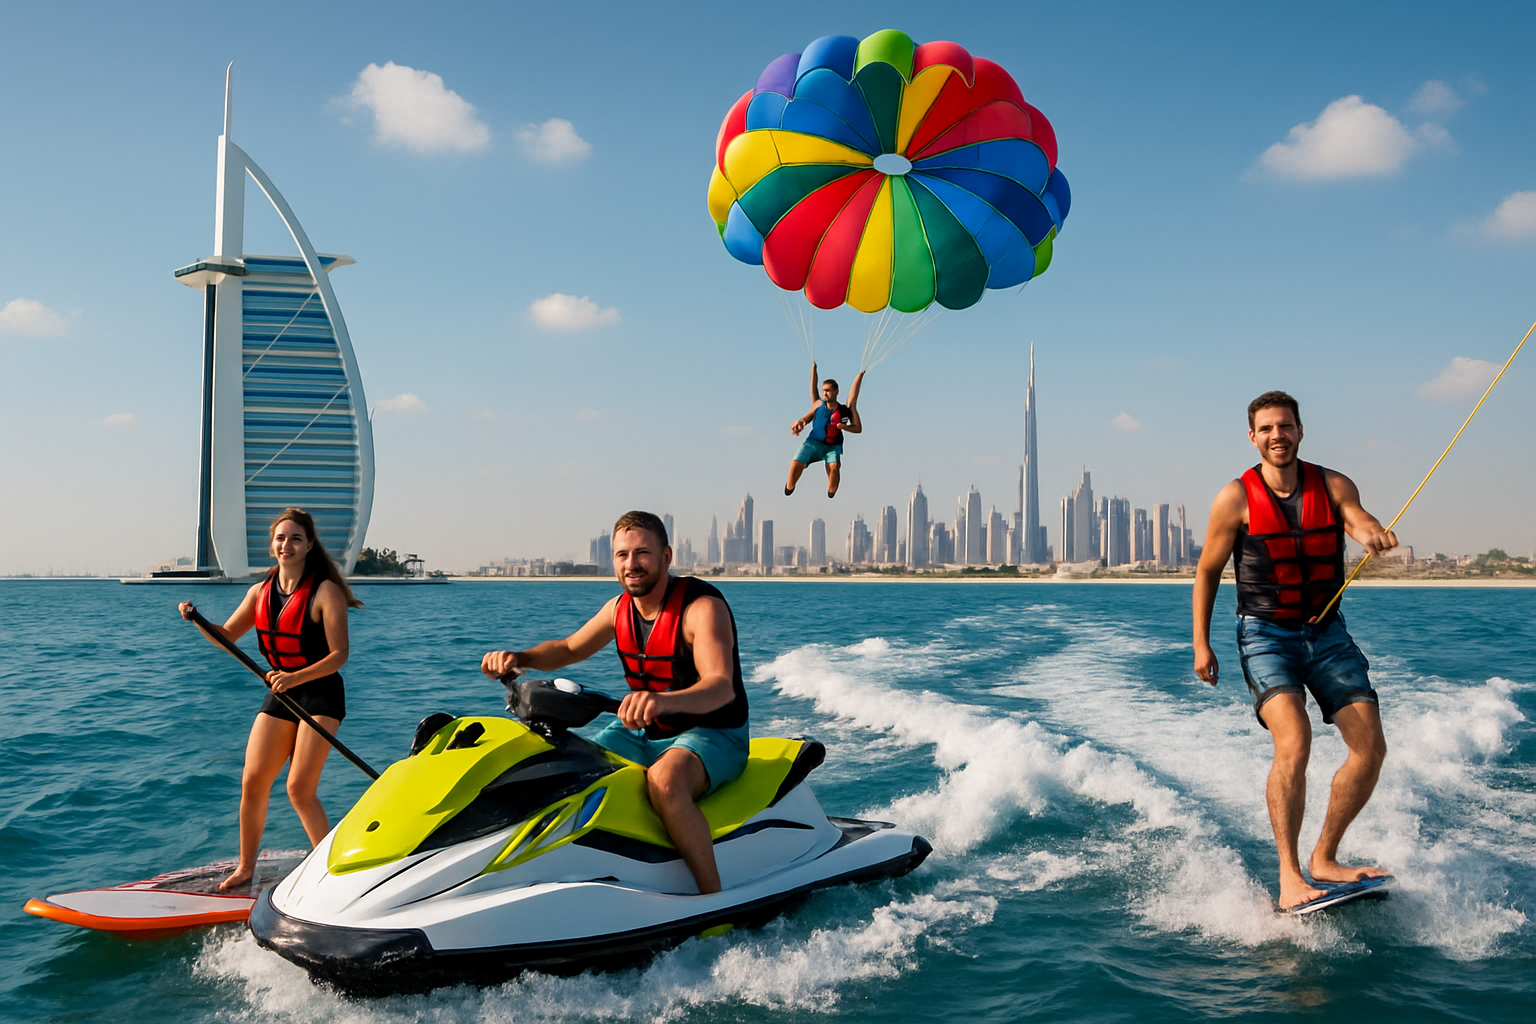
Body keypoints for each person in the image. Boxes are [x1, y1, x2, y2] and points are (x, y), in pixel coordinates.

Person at [1192, 391, 1395, 910]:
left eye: (1285, 426)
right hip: (1265, 635)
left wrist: (1371, 531)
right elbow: (1208, 572)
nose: (1276, 436)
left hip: (1327, 633)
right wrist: (1201, 643)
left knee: (1370, 748)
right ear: (1253, 437)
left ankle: (1324, 859)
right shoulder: (1234, 498)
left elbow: (1357, 517)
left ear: (1300, 431)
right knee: (1294, 739)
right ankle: (1288, 878)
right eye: (1266, 429)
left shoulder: (1332, 484)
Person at [481, 510, 749, 894]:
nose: (631, 564)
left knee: (665, 781)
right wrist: (519, 658)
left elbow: (721, 687)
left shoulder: (701, 609)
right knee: (565, 767)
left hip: (715, 733)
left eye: (642, 553)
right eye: (622, 555)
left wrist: (661, 701)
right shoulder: (617, 609)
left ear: (666, 557)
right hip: (647, 731)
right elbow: (568, 649)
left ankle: (713, 900)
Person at [178, 508, 362, 890]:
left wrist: (295, 676)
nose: (287, 545)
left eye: (296, 538)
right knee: (254, 781)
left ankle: (329, 873)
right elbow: (227, 635)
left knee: (298, 788)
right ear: (272, 545)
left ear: (309, 544)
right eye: (281, 538)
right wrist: (199, 622)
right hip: (282, 690)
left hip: (320, 691)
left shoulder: (325, 591)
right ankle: (246, 868)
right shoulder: (258, 592)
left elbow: (339, 654)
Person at [786, 362, 863, 497]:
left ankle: (831, 491)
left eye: (828, 390)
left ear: (836, 392)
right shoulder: (818, 404)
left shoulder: (844, 410)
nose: (825, 393)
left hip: (832, 446)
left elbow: (858, 428)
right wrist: (801, 422)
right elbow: (810, 403)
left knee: (834, 469)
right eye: (823, 391)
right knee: (795, 464)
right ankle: (789, 486)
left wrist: (844, 427)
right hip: (813, 442)